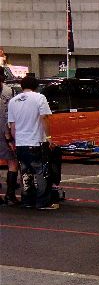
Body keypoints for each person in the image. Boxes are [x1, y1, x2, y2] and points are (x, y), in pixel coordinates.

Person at [7, 75, 56, 210]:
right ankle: (43, 202)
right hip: (36, 141)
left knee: (25, 173)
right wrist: (48, 137)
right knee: (41, 172)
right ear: (36, 86)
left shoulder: (13, 101)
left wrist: (15, 140)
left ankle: (27, 200)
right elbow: (44, 118)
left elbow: (12, 126)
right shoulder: (40, 98)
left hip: (20, 143)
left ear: (22, 86)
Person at [0, 68, 19, 205]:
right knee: (12, 161)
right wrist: (9, 137)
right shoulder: (8, 92)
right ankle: (10, 195)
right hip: (3, 133)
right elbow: (6, 117)